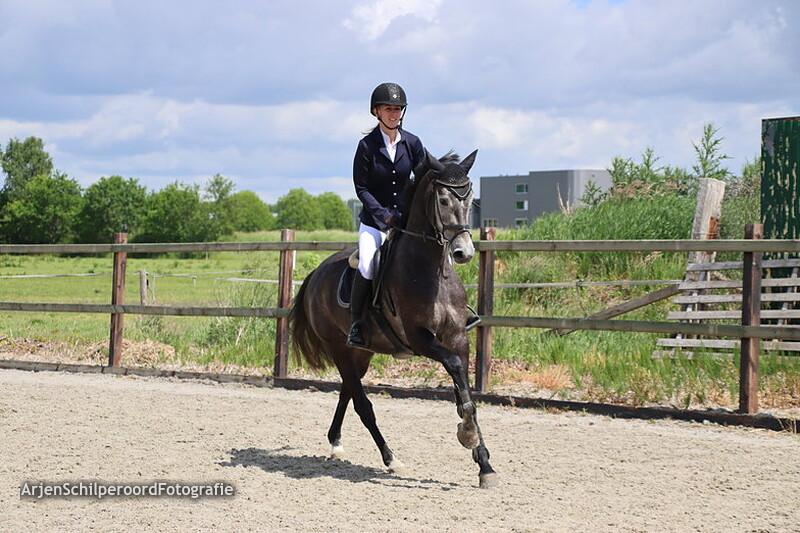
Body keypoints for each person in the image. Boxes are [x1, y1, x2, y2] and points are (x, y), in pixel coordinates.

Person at [346, 82, 425, 349]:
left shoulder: (412, 143)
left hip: (406, 223)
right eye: (388, 109)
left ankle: (454, 312)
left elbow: (424, 176)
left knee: (439, 254)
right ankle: (357, 324)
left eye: (398, 109)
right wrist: (383, 215)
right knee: (368, 264)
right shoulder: (366, 146)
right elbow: (362, 188)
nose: (394, 113)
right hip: (375, 224)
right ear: (376, 112)